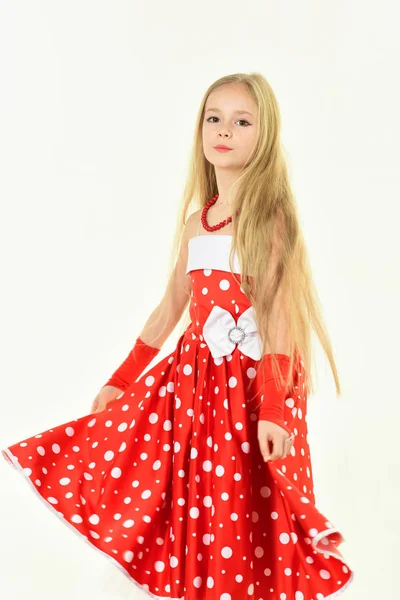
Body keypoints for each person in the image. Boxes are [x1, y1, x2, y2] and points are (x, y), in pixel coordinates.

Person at [2, 72, 354, 600]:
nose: (224, 131)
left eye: (242, 121)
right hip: (197, 384)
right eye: (214, 118)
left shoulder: (271, 219)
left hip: (255, 384)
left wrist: (276, 407)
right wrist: (122, 378)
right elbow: (170, 307)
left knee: (248, 500)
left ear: (266, 136)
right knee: (197, 496)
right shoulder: (197, 223)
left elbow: (281, 314)